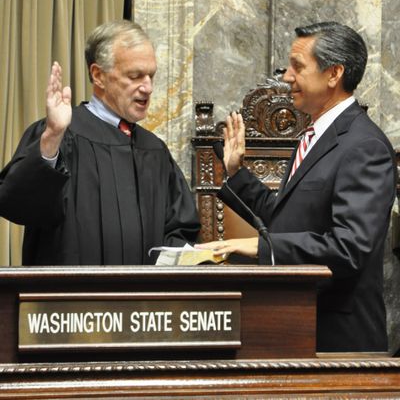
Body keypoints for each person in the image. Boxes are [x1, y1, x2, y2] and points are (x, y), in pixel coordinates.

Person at [196, 21, 397, 353]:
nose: (287, 76)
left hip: (336, 340)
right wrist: (236, 173)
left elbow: (350, 248)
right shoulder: (313, 136)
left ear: (333, 74)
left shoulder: (364, 147)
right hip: (292, 325)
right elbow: (286, 217)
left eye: (298, 66)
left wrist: (262, 248)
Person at [0, 20, 200, 265]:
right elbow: (16, 204)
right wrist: (52, 137)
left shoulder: (155, 151)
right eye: (135, 76)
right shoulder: (61, 136)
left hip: (142, 300)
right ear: (98, 75)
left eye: (151, 75)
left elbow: (180, 230)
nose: (147, 87)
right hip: (70, 299)